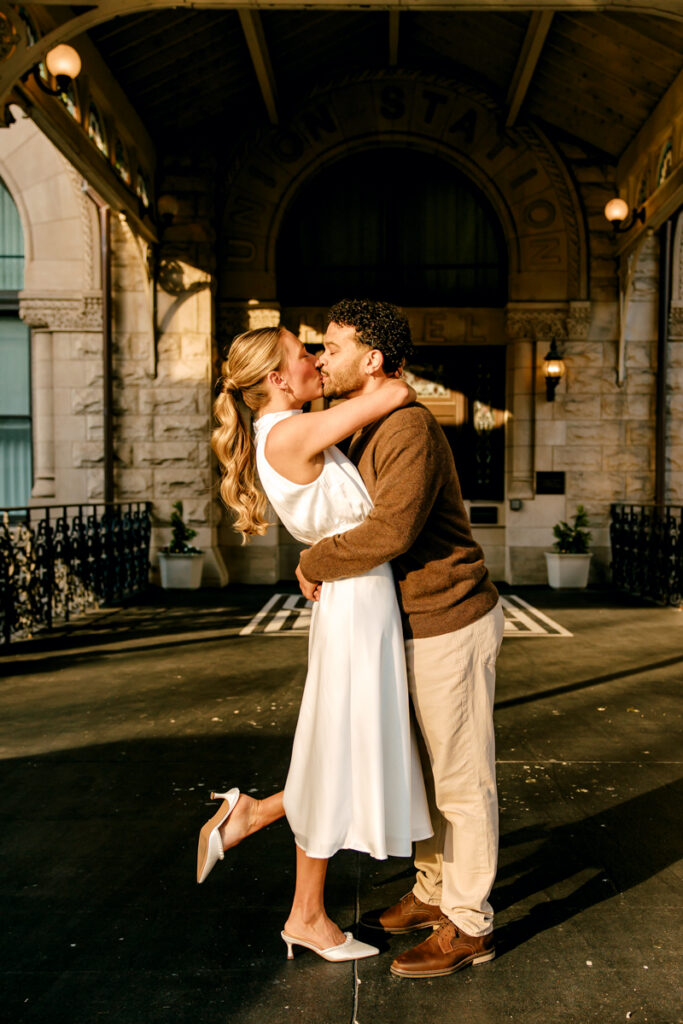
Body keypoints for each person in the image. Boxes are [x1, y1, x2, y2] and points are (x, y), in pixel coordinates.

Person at [198, 324, 432, 963]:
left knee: (341, 744)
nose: (318, 366)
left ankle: (256, 818)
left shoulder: (285, 429)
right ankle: (303, 911)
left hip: (356, 593)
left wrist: (314, 560)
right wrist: (368, 365)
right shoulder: (294, 431)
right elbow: (393, 393)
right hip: (356, 599)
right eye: (307, 356)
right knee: (338, 747)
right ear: (276, 378)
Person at [295, 299, 504, 980]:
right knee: (427, 770)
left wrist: (313, 561)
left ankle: (469, 923)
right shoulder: (366, 423)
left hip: (449, 618)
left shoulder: (407, 427)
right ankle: (433, 889)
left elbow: (392, 531)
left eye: (331, 346)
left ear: (373, 359)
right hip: (407, 625)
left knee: (460, 781)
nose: (321, 357)